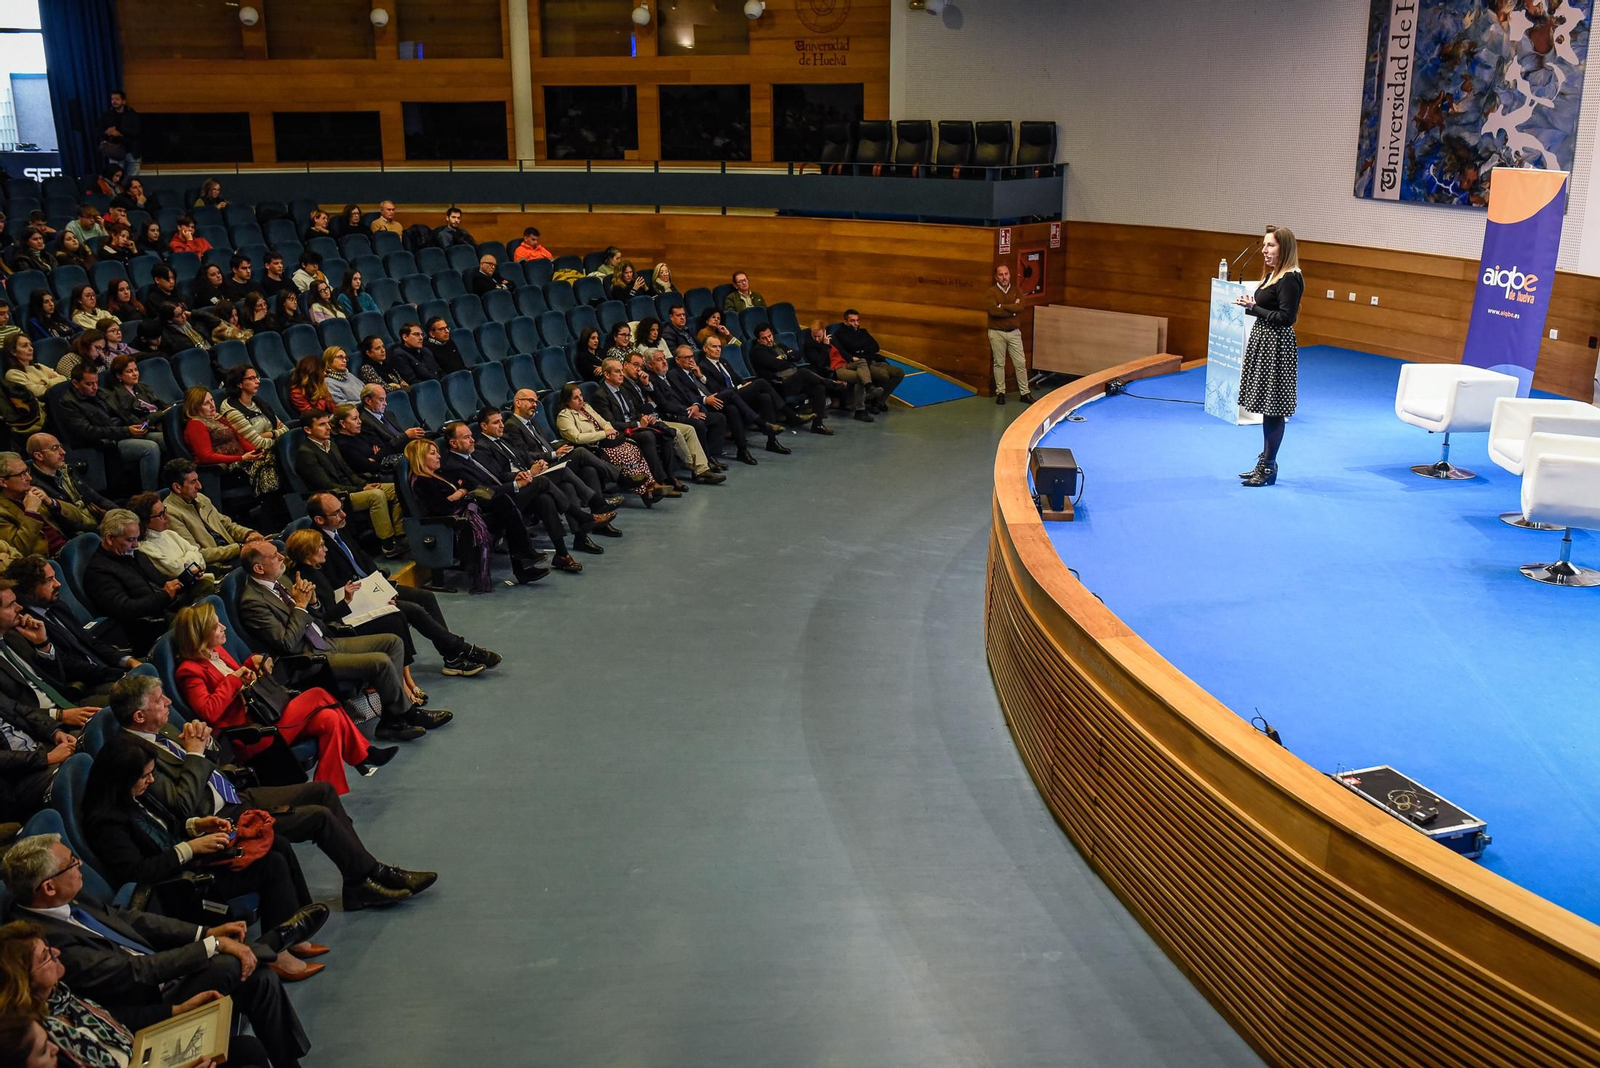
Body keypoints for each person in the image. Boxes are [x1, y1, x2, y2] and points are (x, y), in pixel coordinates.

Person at [2, 834, 312, 1068]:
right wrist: (212, 945)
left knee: (258, 979)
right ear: (48, 888)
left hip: (157, 982)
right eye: (72, 863)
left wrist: (204, 932)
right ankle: (270, 947)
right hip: (147, 997)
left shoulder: (67, 900)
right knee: (233, 964)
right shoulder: (44, 941)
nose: (80, 864)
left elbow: (128, 918)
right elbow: (135, 973)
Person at [80, 736, 332, 981]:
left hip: (186, 862)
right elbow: (138, 872)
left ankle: (296, 931)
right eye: (145, 776)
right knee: (272, 866)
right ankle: (278, 953)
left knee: (277, 842)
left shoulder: (134, 794)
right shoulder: (105, 822)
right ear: (121, 779)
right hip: (175, 887)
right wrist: (191, 847)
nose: (151, 779)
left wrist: (196, 825)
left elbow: (167, 826)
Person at [234, 541, 445, 742]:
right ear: (259, 568)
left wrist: (313, 602)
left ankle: (391, 719)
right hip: (308, 657)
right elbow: (287, 644)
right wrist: (300, 605)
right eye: (274, 556)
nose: (282, 557)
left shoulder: (284, 581)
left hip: (324, 639)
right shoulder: (252, 602)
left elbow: (316, 616)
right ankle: (408, 714)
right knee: (380, 661)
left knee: (393, 642)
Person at [173, 602, 391, 796]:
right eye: (216, 626)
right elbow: (209, 711)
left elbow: (239, 673)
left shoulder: (217, 651)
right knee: (318, 694)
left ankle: (327, 792)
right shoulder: (189, 671)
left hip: (265, 713)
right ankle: (362, 753)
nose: (223, 627)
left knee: (329, 719)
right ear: (200, 634)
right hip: (252, 733)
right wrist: (234, 679)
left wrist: (252, 662)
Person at [0, 920, 275, 1068]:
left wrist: (176, 1011)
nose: (56, 952)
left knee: (247, 1048)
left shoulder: (57, 996)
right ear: (22, 981)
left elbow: (116, 1017)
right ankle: (273, 947)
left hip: (137, 1051)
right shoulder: (34, 1040)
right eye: (46, 956)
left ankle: (272, 949)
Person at [305, 491, 500, 674]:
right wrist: (378, 597)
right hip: (353, 600)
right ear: (319, 520)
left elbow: (363, 559)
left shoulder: (338, 529)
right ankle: (460, 650)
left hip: (371, 587)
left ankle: (452, 656)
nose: (343, 514)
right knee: (413, 610)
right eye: (336, 512)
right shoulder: (315, 545)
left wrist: (381, 586)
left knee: (426, 596)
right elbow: (336, 587)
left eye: (342, 508)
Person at [281, 528, 431, 704]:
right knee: (393, 620)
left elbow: (325, 605)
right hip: (337, 628)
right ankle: (404, 686)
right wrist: (345, 600)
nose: (326, 549)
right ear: (308, 552)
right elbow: (324, 618)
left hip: (342, 614)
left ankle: (407, 681)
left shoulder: (314, 569)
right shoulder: (306, 578)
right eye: (321, 546)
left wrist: (345, 597)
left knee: (395, 614)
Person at [439, 421, 598, 574]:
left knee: (544, 500)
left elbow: (499, 475)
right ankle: (583, 517)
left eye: (471, 435)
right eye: (466, 437)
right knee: (542, 482)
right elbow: (482, 493)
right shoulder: (453, 466)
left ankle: (562, 554)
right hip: (491, 506)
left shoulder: (473, 456)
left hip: (505, 495)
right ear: (454, 444)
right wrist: (517, 485)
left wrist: (518, 477)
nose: (472, 439)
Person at [403, 438, 548, 593]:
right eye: (433, 453)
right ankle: (524, 562)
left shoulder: (438, 474)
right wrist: (465, 496)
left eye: (437, 452)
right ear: (420, 457)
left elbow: (469, 484)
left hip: (470, 514)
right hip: (458, 525)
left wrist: (460, 493)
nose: (439, 456)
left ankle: (524, 562)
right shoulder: (421, 482)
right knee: (504, 506)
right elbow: (445, 508)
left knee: (505, 505)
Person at [6, 554, 136, 708]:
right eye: (49, 581)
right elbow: (69, 666)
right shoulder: (27, 626)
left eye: (55, 578)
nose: (58, 584)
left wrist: (128, 660)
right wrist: (120, 674)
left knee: (153, 670)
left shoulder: (57, 606)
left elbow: (91, 641)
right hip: (87, 686)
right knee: (140, 694)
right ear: (27, 590)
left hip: (107, 671)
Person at [82, 510, 214, 655]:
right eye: (130, 540)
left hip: (164, 607)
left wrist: (186, 579)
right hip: (149, 625)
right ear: (109, 538)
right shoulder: (99, 572)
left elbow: (162, 582)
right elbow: (125, 609)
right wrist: (164, 595)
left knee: (204, 585)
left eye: (137, 539)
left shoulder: (135, 555)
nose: (136, 544)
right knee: (201, 624)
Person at [1234, 225, 1303, 487]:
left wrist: (1254, 308)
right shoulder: (1274, 274)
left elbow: (1287, 318)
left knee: (1274, 409)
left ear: (1284, 248)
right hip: (1264, 342)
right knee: (1267, 407)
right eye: (1264, 245)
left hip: (1277, 346)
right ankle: (1264, 461)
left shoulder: (1290, 278)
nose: (1264, 250)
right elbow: (1269, 308)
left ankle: (1269, 467)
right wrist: (1251, 307)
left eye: (1270, 245)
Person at [292, 411, 406, 557]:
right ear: (308, 430)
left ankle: (400, 535)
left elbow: (348, 472)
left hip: (351, 488)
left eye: (328, 423)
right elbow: (326, 485)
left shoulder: (330, 444)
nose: (328, 427)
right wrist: (361, 488)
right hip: (335, 497)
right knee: (376, 495)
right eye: (322, 425)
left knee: (396, 488)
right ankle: (388, 545)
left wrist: (364, 484)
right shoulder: (306, 453)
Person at [486, 399, 622, 519]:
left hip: (547, 462)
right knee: (580, 452)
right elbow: (524, 455)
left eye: (536, 402)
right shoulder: (511, 426)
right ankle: (618, 481)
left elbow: (542, 445)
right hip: (538, 468)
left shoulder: (532, 422)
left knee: (589, 470)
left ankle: (593, 522)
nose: (535, 404)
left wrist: (557, 450)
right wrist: (550, 456)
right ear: (518, 402)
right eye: (530, 401)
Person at [54, 363, 163, 493]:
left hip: (123, 432)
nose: (94, 387)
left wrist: (139, 424)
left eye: (96, 382)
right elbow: (88, 432)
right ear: (76, 384)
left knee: (163, 438)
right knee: (150, 448)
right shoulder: (68, 403)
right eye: (89, 384)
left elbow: (122, 412)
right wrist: (126, 431)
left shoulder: (101, 392)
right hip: (107, 443)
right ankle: (151, 495)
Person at [620, 354, 725, 482]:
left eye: (640, 366)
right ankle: (698, 467)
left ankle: (702, 469)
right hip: (646, 421)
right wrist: (650, 405)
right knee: (678, 432)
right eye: (635, 365)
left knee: (690, 429)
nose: (638, 369)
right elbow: (642, 408)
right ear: (625, 365)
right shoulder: (622, 383)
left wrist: (647, 385)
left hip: (657, 418)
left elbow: (657, 401)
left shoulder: (641, 380)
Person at [554, 384, 666, 505]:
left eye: (581, 395)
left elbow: (604, 422)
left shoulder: (586, 407)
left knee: (633, 449)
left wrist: (610, 431)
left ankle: (650, 485)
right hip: (593, 448)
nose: (581, 399)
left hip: (606, 442)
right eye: (575, 398)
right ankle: (643, 491)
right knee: (625, 454)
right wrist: (604, 434)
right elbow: (577, 438)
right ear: (567, 400)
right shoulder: (564, 416)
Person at [589, 358, 681, 491]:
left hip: (634, 426)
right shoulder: (601, 396)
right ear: (607, 375)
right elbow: (612, 424)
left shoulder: (623, 390)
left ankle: (670, 476)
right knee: (648, 436)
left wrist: (644, 417)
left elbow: (633, 412)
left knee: (667, 433)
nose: (621, 374)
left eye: (621, 371)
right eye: (617, 372)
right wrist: (638, 423)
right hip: (621, 433)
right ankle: (657, 481)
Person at [162, 459, 265, 571]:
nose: (199, 486)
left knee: (276, 545)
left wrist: (248, 534)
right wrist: (240, 548)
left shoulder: (201, 498)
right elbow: (197, 553)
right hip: (219, 564)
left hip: (234, 552)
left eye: (198, 480)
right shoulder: (170, 513)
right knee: (268, 559)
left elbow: (227, 525)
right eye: (193, 482)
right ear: (177, 487)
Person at [700, 336, 800, 451]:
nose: (718, 349)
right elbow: (717, 389)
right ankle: (790, 415)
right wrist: (741, 387)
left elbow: (738, 378)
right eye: (714, 347)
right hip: (726, 399)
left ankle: (772, 441)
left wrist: (745, 384)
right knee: (761, 382)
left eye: (719, 346)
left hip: (738, 393)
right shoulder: (703, 367)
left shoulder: (723, 361)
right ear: (705, 348)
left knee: (765, 397)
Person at [668, 344, 763, 465]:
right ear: (677, 360)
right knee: (731, 393)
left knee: (732, 409)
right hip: (702, 404)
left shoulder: (695, 371)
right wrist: (704, 400)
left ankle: (742, 450)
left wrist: (700, 376)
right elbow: (684, 395)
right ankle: (759, 422)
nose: (691, 360)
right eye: (686, 357)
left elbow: (712, 387)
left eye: (692, 356)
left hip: (712, 399)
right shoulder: (674, 374)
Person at [181, 387, 281, 500]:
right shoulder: (195, 425)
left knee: (275, 456)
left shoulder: (218, 418)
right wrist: (242, 457)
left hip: (242, 459)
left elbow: (239, 438)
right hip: (228, 469)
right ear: (195, 408)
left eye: (212, 400)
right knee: (270, 465)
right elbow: (206, 456)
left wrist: (255, 451)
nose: (212, 405)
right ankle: (274, 504)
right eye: (206, 403)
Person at [646, 349, 741, 465]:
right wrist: (687, 411)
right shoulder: (651, 381)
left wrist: (695, 405)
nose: (664, 362)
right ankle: (705, 460)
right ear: (650, 365)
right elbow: (664, 404)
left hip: (688, 409)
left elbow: (686, 392)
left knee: (719, 418)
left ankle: (711, 455)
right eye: (659, 360)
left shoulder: (669, 375)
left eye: (664, 358)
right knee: (698, 424)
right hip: (675, 415)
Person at [0, 452, 96, 559]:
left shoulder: (34, 492)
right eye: (22, 475)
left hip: (68, 545)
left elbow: (78, 518)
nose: (29, 478)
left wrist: (51, 502)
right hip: (46, 561)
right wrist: (31, 512)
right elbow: (20, 549)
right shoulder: (2, 511)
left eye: (27, 471)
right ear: (3, 482)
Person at [748, 323, 833, 434]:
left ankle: (817, 425)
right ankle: (829, 382)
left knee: (819, 387)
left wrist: (784, 357)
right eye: (764, 338)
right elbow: (776, 365)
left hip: (792, 378)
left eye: (770, 336)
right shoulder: (758, 351)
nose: (769, 340)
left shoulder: (777, 344)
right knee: (803, 372)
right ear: (759, 340)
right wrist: (787, 359)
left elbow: (797, 355)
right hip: (778, 384)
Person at [26, 433, 115, 524]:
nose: (63, 452)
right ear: (39, 456)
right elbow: (67, 523)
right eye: (55, 448)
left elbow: (96, 498)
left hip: (96, 521)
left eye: (61, 446)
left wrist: (121, 514)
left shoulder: (65, 471)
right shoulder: (36, 487)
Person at [802, 319, 878, 420]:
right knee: (860, 378)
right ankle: (860, 411)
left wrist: (851, 358)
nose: (816, 339)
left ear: (824, 332)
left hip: (845, 364)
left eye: (819, 336)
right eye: (814, 336)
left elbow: (842, 351)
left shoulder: (832, 338)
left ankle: (869, 387)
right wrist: (825, 346)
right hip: (835, 369)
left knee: (862, 361)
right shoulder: (811, 345)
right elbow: (820, 363)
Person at [128, 492, 211, 583]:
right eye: (161, 515)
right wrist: (191, 556)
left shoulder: (170, 534)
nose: (167, 517)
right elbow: (177, 571)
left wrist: (185, 562)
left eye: (165, 510)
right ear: (145, 522)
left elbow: (200, 556)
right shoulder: (145, 549)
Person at [833, 308, 906, 406]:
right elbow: (851, 347)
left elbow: (875, 346)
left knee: (899, 372)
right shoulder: (840, 334)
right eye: (852, 321)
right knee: (883, 374)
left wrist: (861, 350)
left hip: (872, 359)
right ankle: (874, 400)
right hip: (861, 364)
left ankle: (878, 401)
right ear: (845, 322)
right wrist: (863, 347)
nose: (855, 323)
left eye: (857, 320)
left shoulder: (863, 332)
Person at [985, 263, 1032, 405]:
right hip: (996, 332)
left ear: (1010, 275)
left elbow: (1021, 306)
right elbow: (993, 311)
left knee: (1020, 363)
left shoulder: (1017, 290)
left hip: (1014, 333)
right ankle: (1001, 392)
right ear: (996, 277)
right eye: (1001, 274)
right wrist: (1012, 309)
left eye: (1006, 274)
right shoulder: (991, 292)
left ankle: (1025, 393)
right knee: (999, 363)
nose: (1004, 277)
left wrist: (1003, 307)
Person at [219, 365, 288, 454]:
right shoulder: (233, 411)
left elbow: (285, 428)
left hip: (276, 450)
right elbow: (258, 444)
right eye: (252, 378)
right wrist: (281, 438)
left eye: (257, 377)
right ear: (240, 384)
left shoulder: (258, 401)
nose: (258, 381)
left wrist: (271, 434)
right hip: (261, 457)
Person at [2, 335, 66, 400]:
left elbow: (64, 379)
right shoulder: (13, 374)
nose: (31, 348)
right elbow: (36, 392)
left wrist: (44, 382)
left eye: (30, 345)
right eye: (24, 346)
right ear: (13, 352)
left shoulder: (39, 366)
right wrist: (52, 380)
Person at [97, 88, 142, 177]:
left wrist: (119, 132)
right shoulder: (107, 115)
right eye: (112, 99)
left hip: (132, 151)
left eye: (117, 99)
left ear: (124, 101)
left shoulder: (132, 114)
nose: (114, 101)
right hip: (115, 151)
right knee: (115, 177)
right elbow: (99, 130)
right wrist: (108, 133)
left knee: (133, 179)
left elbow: (138, 131)